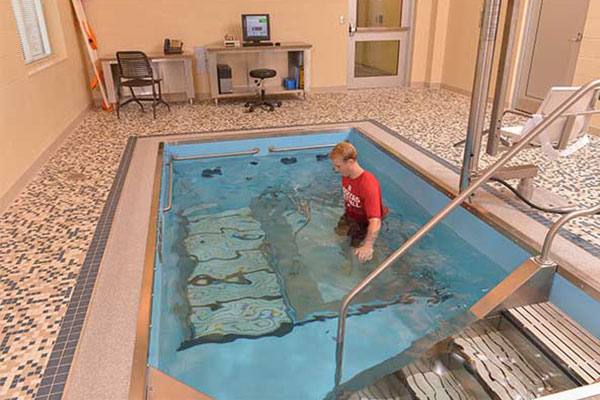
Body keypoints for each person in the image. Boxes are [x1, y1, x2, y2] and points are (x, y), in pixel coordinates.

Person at [330, 142, 388, 263]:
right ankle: (347, 262)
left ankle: (356, 268)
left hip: (364, 221)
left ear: (350, 162)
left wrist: (368, 245)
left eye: (338, 166)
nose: (336, 170)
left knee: (356, 252)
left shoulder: (368, 184)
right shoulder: (346, 174)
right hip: (351, 215)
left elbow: (375, 221)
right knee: (338, 237)